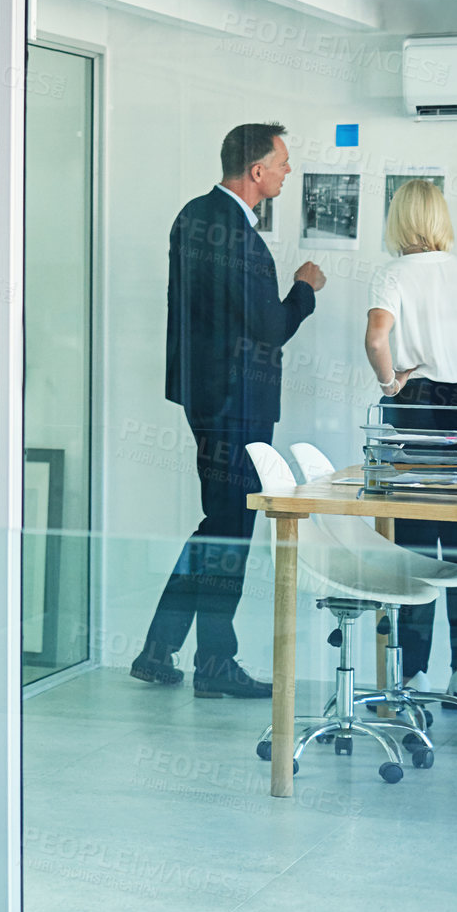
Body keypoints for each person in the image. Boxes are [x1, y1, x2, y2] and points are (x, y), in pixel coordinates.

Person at [134, 123, 327, 698]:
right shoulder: (236, 234)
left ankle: (162, 651)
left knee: (219, 526)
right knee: (231, 529)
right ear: (257, 171)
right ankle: (211, 662)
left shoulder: (194, 215)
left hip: (208, 396)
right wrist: (305, 290)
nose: (288, 171)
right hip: (237, 404)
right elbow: (268, 330)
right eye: (284, 162)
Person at [367, 178, 457, 702]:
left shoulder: (392, 272)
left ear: (399, 220)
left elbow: (376, 338)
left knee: (416, 545)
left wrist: (389, 382)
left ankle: (415, 671)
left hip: (416, 402)